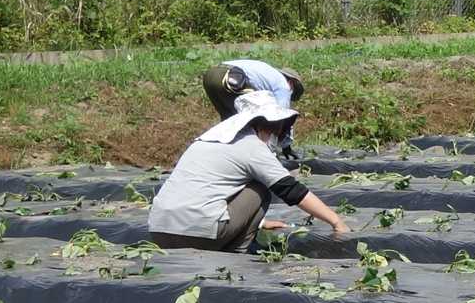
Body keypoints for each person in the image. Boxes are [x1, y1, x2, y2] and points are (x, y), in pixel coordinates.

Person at [148, 66, 348, 252]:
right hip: (199, 234)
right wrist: (336, 222)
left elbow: (207, 190)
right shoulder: (251, 146)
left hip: (158, 231)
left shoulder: (206, 140)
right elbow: (291, 190)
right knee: (261, 187)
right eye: (275, 130)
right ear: (263, 126)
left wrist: (259, 222)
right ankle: (235, 254)